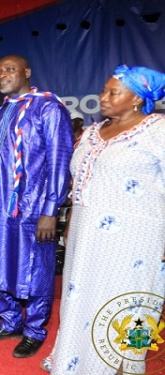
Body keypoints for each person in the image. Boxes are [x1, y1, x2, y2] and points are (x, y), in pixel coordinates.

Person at [42, 65, 165, 374]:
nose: (103, 97)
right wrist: (71, 223)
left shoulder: (157, 131)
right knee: (81, 298)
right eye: (103, 90)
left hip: (136, 237)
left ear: (137, 98)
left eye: (114, 92)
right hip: (86, 236)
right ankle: (77, 362)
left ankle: (124, 367)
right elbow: (80, 187)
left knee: (127, 305)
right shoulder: (93, 132)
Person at [0, 55, 73, 358]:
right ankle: (9, 322)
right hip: (3, 207)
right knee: (2, 262)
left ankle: (34, 330)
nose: (1, 74)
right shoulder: (0, 113)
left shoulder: (49, 108)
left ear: (27, 72)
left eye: (9, 69)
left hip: (35, 208)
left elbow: (59, 162)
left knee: (37, 270)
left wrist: (50, 210)